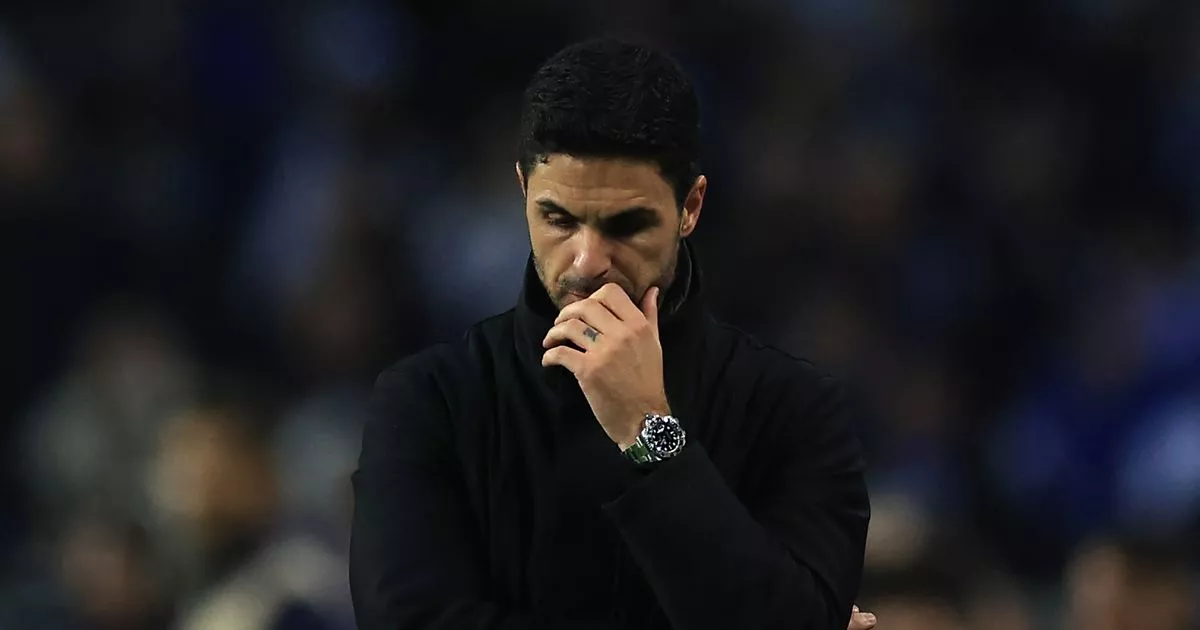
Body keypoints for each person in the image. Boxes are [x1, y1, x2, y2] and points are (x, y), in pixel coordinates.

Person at [350, 37, 873, 630]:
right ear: (522, 191)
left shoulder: (795, 410)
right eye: (558, 219)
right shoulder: (429, 401)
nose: (586, 262)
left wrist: (649, 433)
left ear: (691, 207)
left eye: (626, 225)